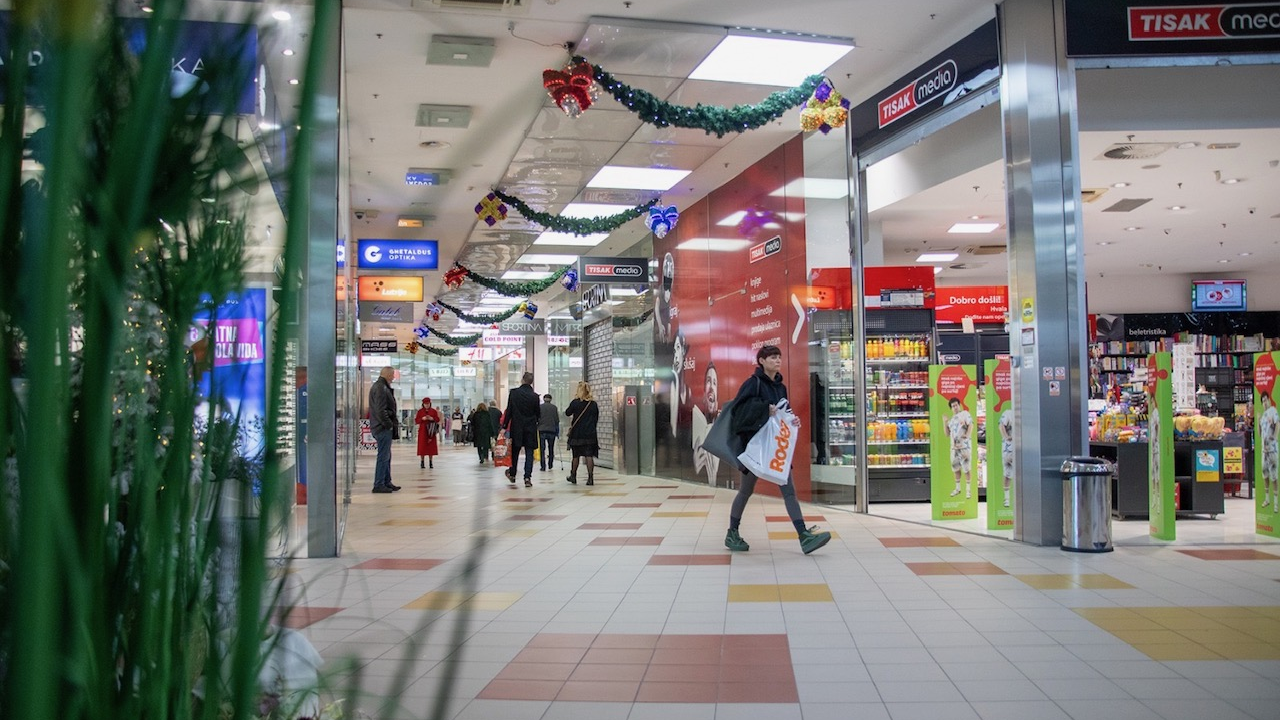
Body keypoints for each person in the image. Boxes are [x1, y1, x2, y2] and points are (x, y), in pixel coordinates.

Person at [725, 345, 830, 554]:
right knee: (745, 491)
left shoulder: (780, 387)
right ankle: (732, 532)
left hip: (775, 447)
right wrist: (764, 408)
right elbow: (739, 411)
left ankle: (803, 536)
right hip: (755, 448)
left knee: (788, 489)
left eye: (779, 357)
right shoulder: (752, 384)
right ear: (761, 361)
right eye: (773, 357)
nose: (777, 361)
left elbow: (785, 410)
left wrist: (792, 420)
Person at [502, 372, 541, 487]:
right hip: (530, 428)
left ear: (522, 380)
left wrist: (504, 426)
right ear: (531, 382)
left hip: (517, 427)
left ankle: (512, 473)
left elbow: (509, 411)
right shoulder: (535, 396)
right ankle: (527, 477)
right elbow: (538, 413)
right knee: (529, 453)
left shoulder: (514, 393)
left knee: (515, 452)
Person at [368, 367, 400, 493]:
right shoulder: (381, 388)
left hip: (380, 426)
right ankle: (379, 483)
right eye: (392, 375)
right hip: (382, 427)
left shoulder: (381, 386)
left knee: (386, 455)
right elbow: (380, 410)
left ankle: (386, 481)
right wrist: (388, 424)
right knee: (383, 456)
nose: (393, 377)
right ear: (387, 375)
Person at [564, 381, 599, 485]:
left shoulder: (575, 402)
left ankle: (573, 476)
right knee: (589, 455)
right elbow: (596, 418)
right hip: (590, 434)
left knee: (576, 455)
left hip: (577, 434)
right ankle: (590, 478)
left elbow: (567, 413)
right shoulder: (593, 404)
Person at [946, 396, 974, 498]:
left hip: (964, 447)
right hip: (954, 448)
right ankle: (958, 488)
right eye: (953, 406)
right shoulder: (952, 420)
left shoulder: (965, 414)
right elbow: (947, 434)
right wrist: (945, 422)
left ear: (959, 405)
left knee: (966, 468)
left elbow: (971, 424)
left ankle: (968, 490)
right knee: (956, 468)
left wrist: (967, 435)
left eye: (956, 405)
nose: (955, 407)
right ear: (951, 408)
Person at [1260, 393, 1278, 509]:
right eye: (1263, 401)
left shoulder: (1273, 411)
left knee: (1274, 476)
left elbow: (1278, 424)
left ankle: (1276, 502)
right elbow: (1260, 434)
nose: (1265, 402)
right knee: (1265, 474)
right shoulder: (1263, 416)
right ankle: (1267, 499)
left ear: (1269, 400)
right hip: (1264, 451)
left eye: (1266, 400)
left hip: (1272, 450)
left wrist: (1274, 437)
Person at [414, 397, 441, 469]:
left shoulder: (433, 411)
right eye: (425, 404)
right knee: (422, 447)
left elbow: (437, 419)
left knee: (431, 447)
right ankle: (422, 462)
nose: (427, 405)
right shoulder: (420, 412)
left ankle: (430, 462)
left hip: (431, 431)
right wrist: (422, 419)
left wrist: (432, 418)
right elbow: (416, 421)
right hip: (423, 431)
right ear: (423, 404)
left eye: (428, 404)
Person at [538, 393, 560, 472]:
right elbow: (557, 420)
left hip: (542, 430)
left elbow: (537, 418)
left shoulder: (540, 407)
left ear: (544, 399)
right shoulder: (554, 408)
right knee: (551, 448)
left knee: (542, 449)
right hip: (552, 430)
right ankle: (550, 464)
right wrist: (557, 431)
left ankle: (543, 466)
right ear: (551, 399)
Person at [998, 408, 1014, 508]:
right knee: (1007, 473)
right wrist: (1006, 436)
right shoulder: (1008, 413)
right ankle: (1006, 498)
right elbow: (1001, 425)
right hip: (1009, 449)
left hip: (1023, 448)